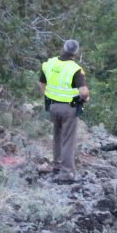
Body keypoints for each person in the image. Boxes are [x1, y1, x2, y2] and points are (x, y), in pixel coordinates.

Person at [39, 39, 90, 183]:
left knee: (57, 136)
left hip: (53, 106)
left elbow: (41, 83)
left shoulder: (50, 64)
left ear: (63, 48)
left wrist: (48, 96)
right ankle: (66, 173)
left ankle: (57, 166)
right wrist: (86, 98)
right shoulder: (75, 69)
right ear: (76, 52)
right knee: (68, 139)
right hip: (69, 108)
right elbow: (83, 92)